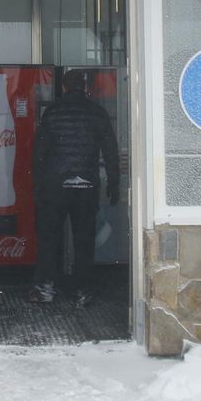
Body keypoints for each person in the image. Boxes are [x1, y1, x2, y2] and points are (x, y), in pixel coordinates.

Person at [29, 69, 121, 307]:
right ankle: (82, 290)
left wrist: (37, 185)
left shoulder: (53, 112)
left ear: (64, 87)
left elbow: (39, 153)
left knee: (50, 239)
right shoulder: (97, 112)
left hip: (55, 186)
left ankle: (47, 288)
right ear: (85, 87)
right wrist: (114, 183)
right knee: (83, 241)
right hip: (86, 185)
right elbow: (111, 151)